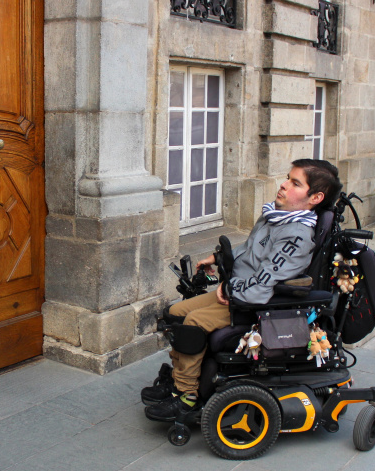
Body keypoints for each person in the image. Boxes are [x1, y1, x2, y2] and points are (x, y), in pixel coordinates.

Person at [142, 159, 342, 421]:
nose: (283, 185)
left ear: (315, 197)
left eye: (295, 183)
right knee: (175, 312)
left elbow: (263, 284)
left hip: (253, 305)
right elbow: (250, 251)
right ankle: (181, 376)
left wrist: (230, 286)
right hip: (237, 293)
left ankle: (187, 395)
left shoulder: (296, 236)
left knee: (192, 323)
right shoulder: (274, 217)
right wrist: (217, 258)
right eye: (287, 178)